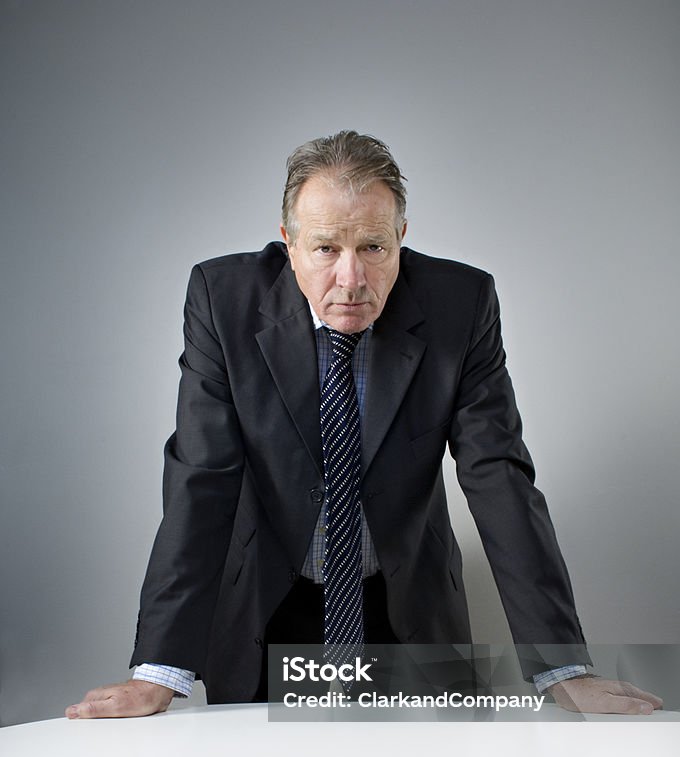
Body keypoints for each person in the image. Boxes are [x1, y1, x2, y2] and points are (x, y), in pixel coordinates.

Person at [65, 130, 662, 720]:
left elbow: (499, 477)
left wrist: (564, 667)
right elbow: (202, 478)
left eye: (374, 248)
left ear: (401, 237)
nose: (351, 279)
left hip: (408, 609)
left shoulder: (462, 303)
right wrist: (159, 669)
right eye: (326, 249)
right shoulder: (223, 300)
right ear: (289, 243)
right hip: (267, 608)